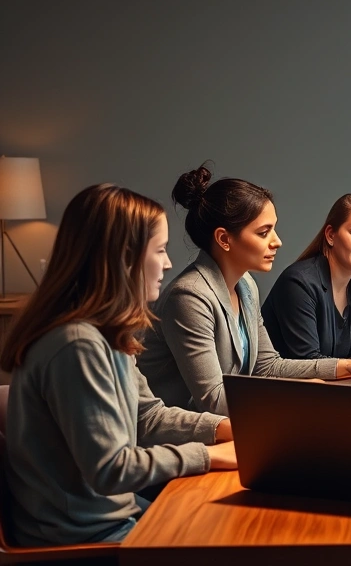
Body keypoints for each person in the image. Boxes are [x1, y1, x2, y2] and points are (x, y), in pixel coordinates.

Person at [0, 184, 236, 546]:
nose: (169, 263)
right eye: (160, 250)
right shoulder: (76, 345)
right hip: (81, 539)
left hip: (117, 516)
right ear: (125, 257)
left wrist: (228, 429)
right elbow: (112, 469)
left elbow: (148, 416)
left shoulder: (105, 335)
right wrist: (209, 456)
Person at [137, 165, 347, 416]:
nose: (277, 241)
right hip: (182, 439)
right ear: (224, 239)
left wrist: (347, 367)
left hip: (229, 427)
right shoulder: (189, 296)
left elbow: (267, 366)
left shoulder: (246, 284)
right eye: (263, 232)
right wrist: (296, 395)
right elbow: (213, 399)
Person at [263, 194, 351, 369]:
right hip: (288, 393)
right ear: (331, 235)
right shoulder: (298, 283)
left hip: (337, 391)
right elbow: (306, 362)